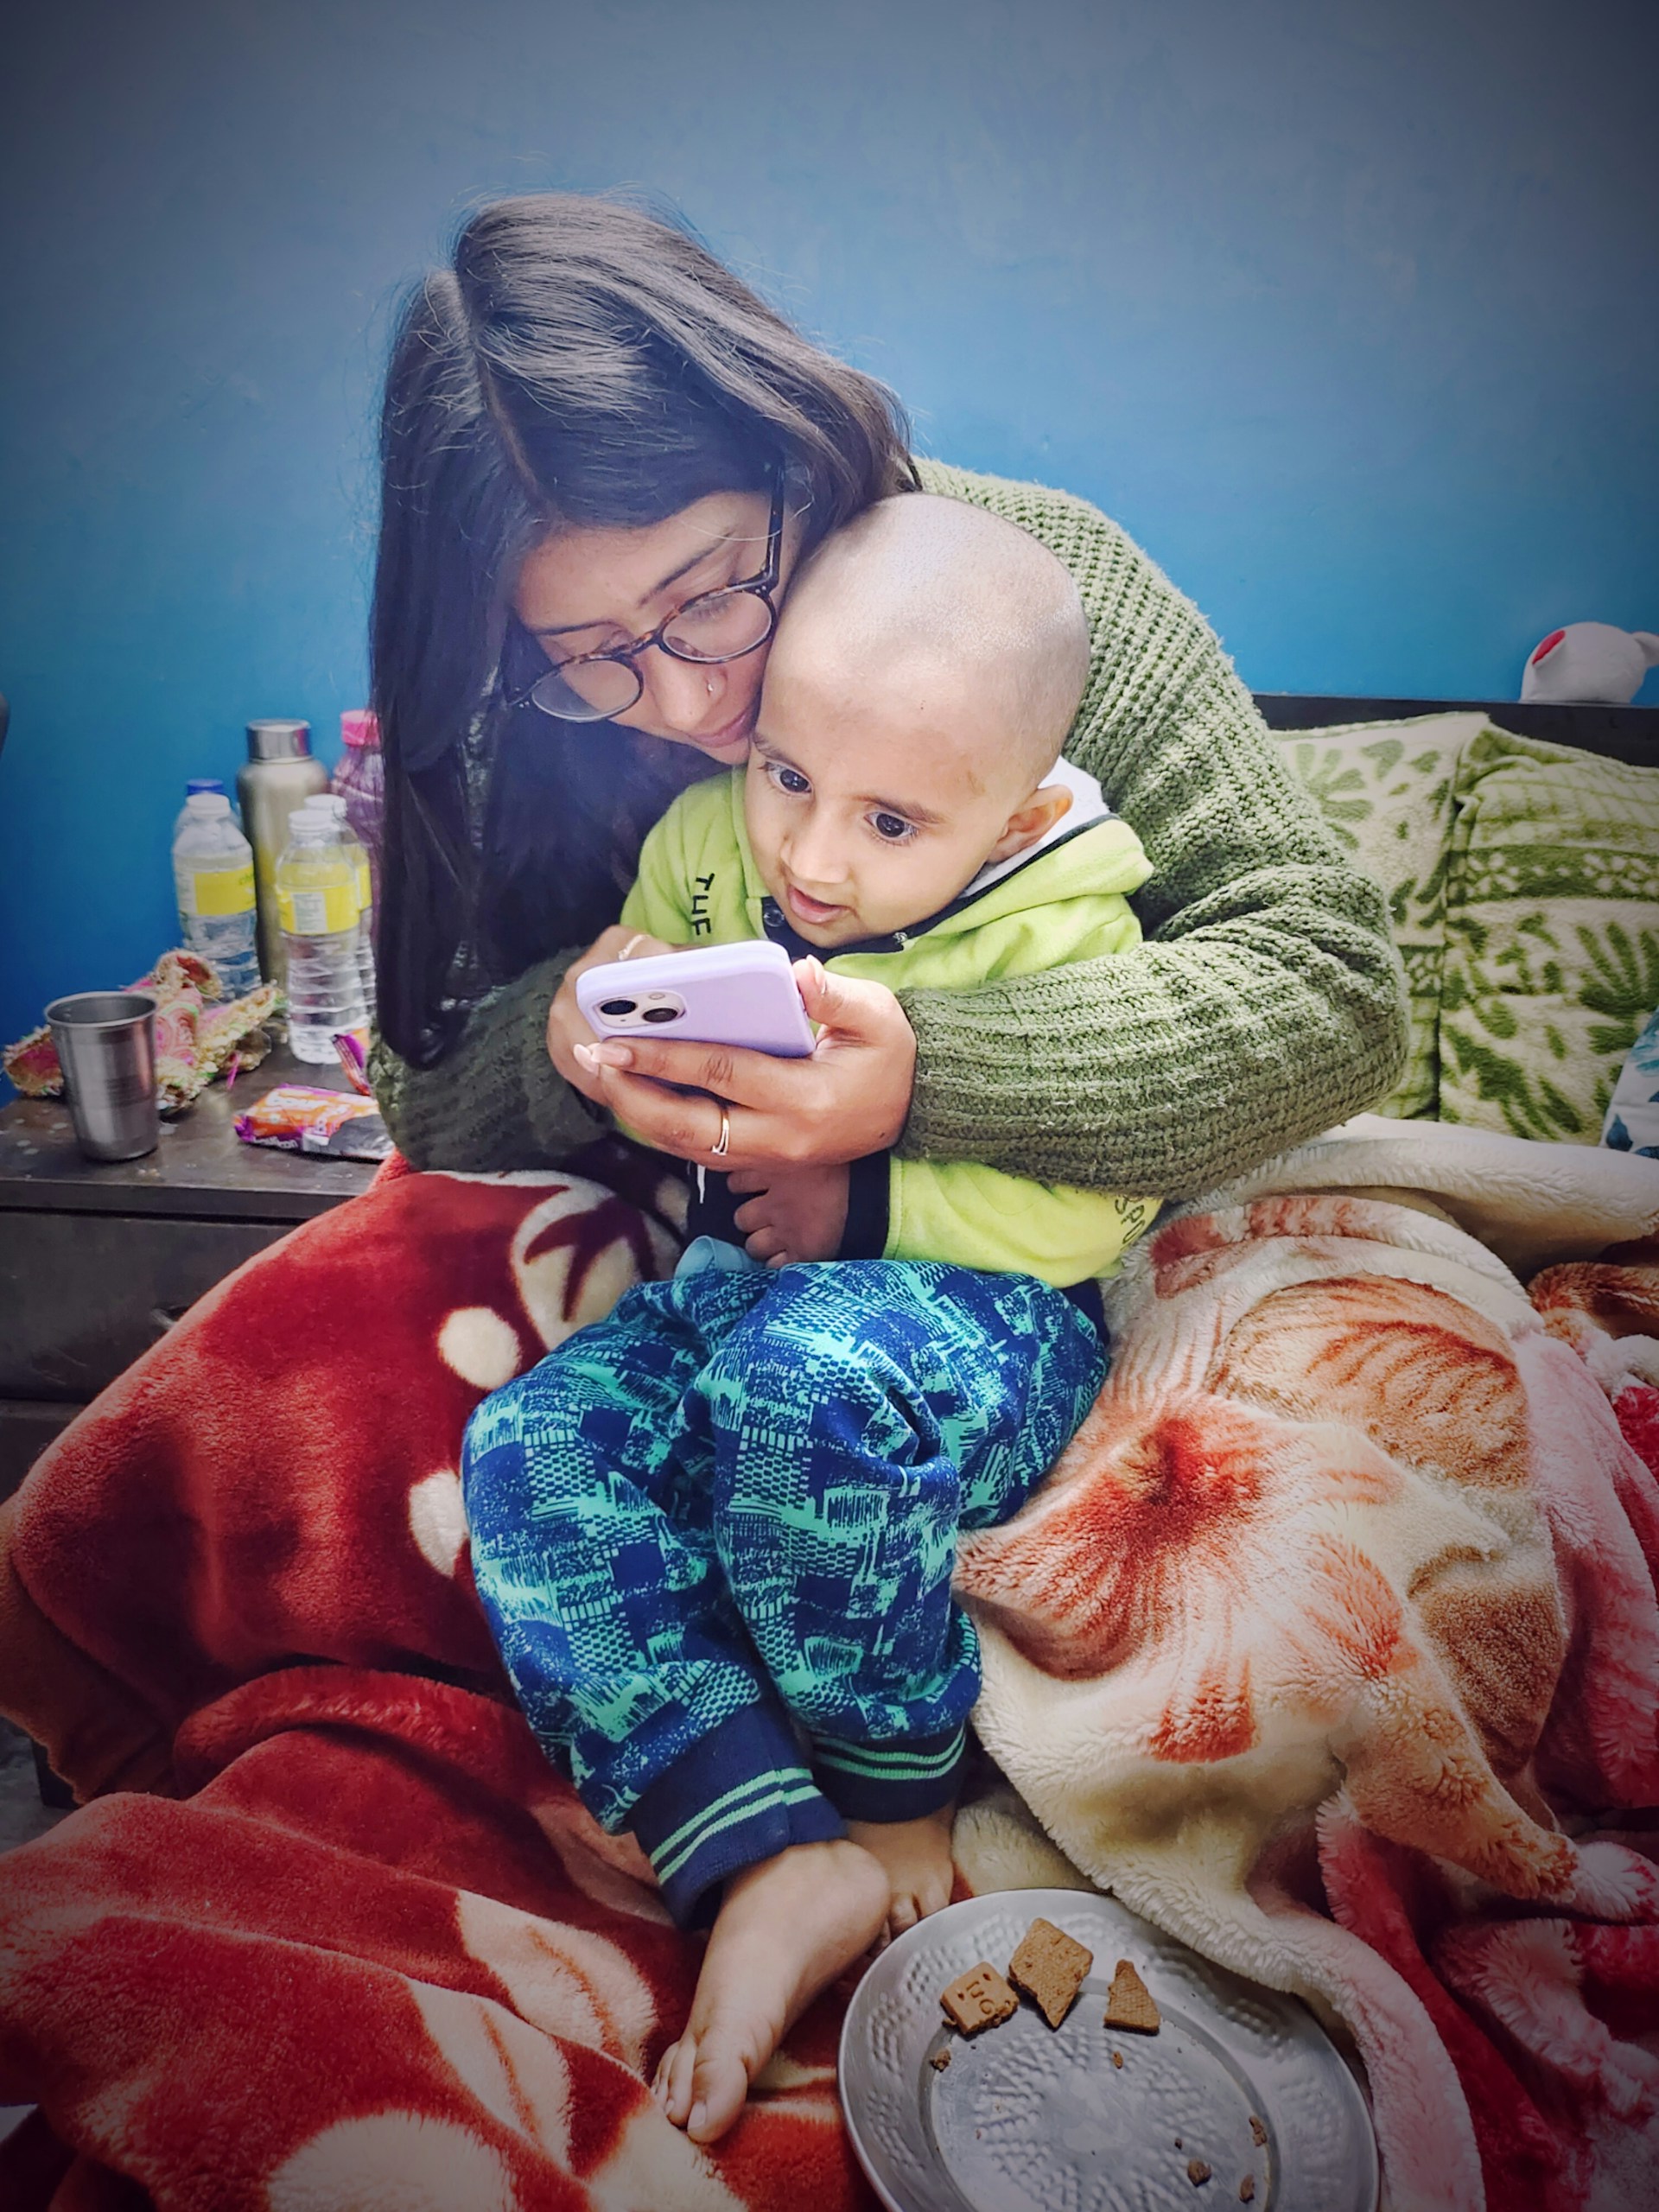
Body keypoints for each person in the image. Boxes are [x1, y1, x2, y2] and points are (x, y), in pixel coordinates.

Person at [462, 493, 1158, 2144]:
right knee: (532, 1440)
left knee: (802, 1383)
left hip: (985, 1314)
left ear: (1015, 817)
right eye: (788, 776)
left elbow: (1099, 1202)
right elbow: (661, 1023)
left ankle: (886, 1792)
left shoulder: (1066, 919)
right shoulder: (712, 843)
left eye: (894, 823)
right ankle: (765, 1845)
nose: (814, 858)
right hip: (735, 1281)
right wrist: (614, 1035)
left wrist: (876, 1207)